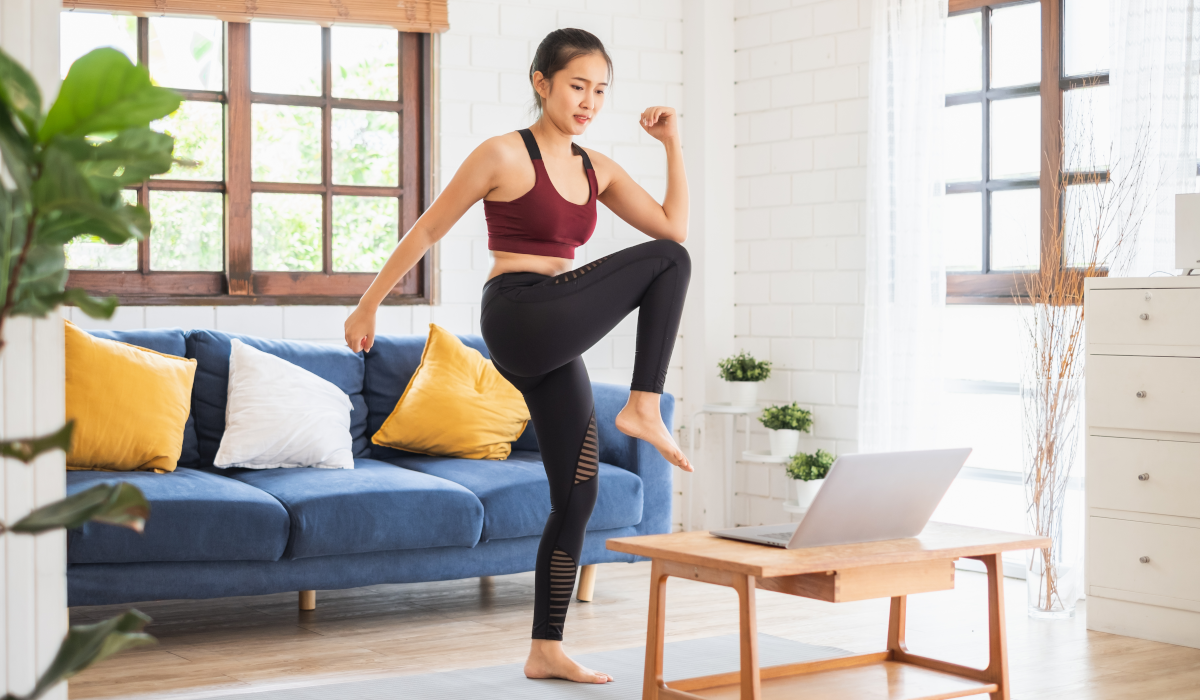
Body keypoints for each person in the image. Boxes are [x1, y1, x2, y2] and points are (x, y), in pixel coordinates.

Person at [344, 27, 692, 685]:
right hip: (519, 311)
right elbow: (428, 228)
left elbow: (672, 226)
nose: (588, 101)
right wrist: (368, 304)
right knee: (669, 264)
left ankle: (545, 647)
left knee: (578, 494)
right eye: (576, 86)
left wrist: (672, 144)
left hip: (553, 334)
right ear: (542, 83)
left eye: (599, 90)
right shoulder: (503, 154)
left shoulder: (598, 169)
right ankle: (644, 406)